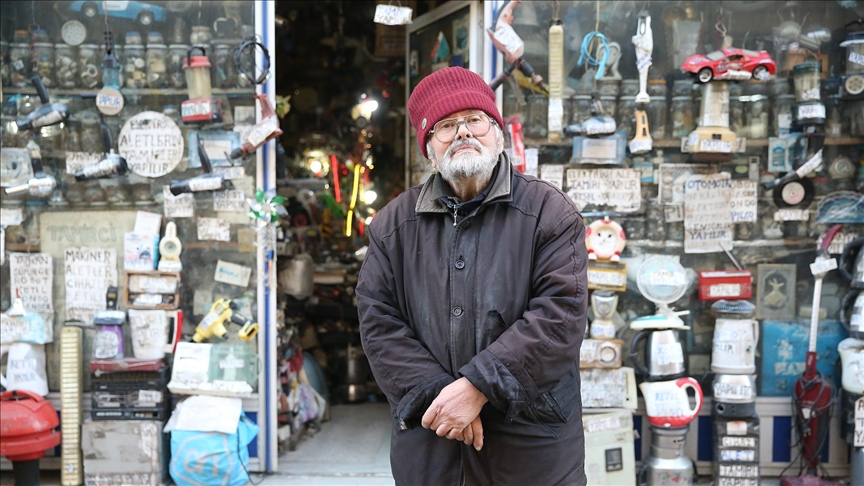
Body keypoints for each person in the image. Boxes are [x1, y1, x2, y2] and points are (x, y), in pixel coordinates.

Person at [356, 67, 588, 486]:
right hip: (432, 446)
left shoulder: (549, 213)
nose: (463, 132)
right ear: (428, 147)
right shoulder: (392, 226)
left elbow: (560, 317)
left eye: (474, 120)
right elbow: (379, 324)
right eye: (445, 126)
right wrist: (443, 399)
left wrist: (478, 388)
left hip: (531, 450)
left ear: (496, 132)